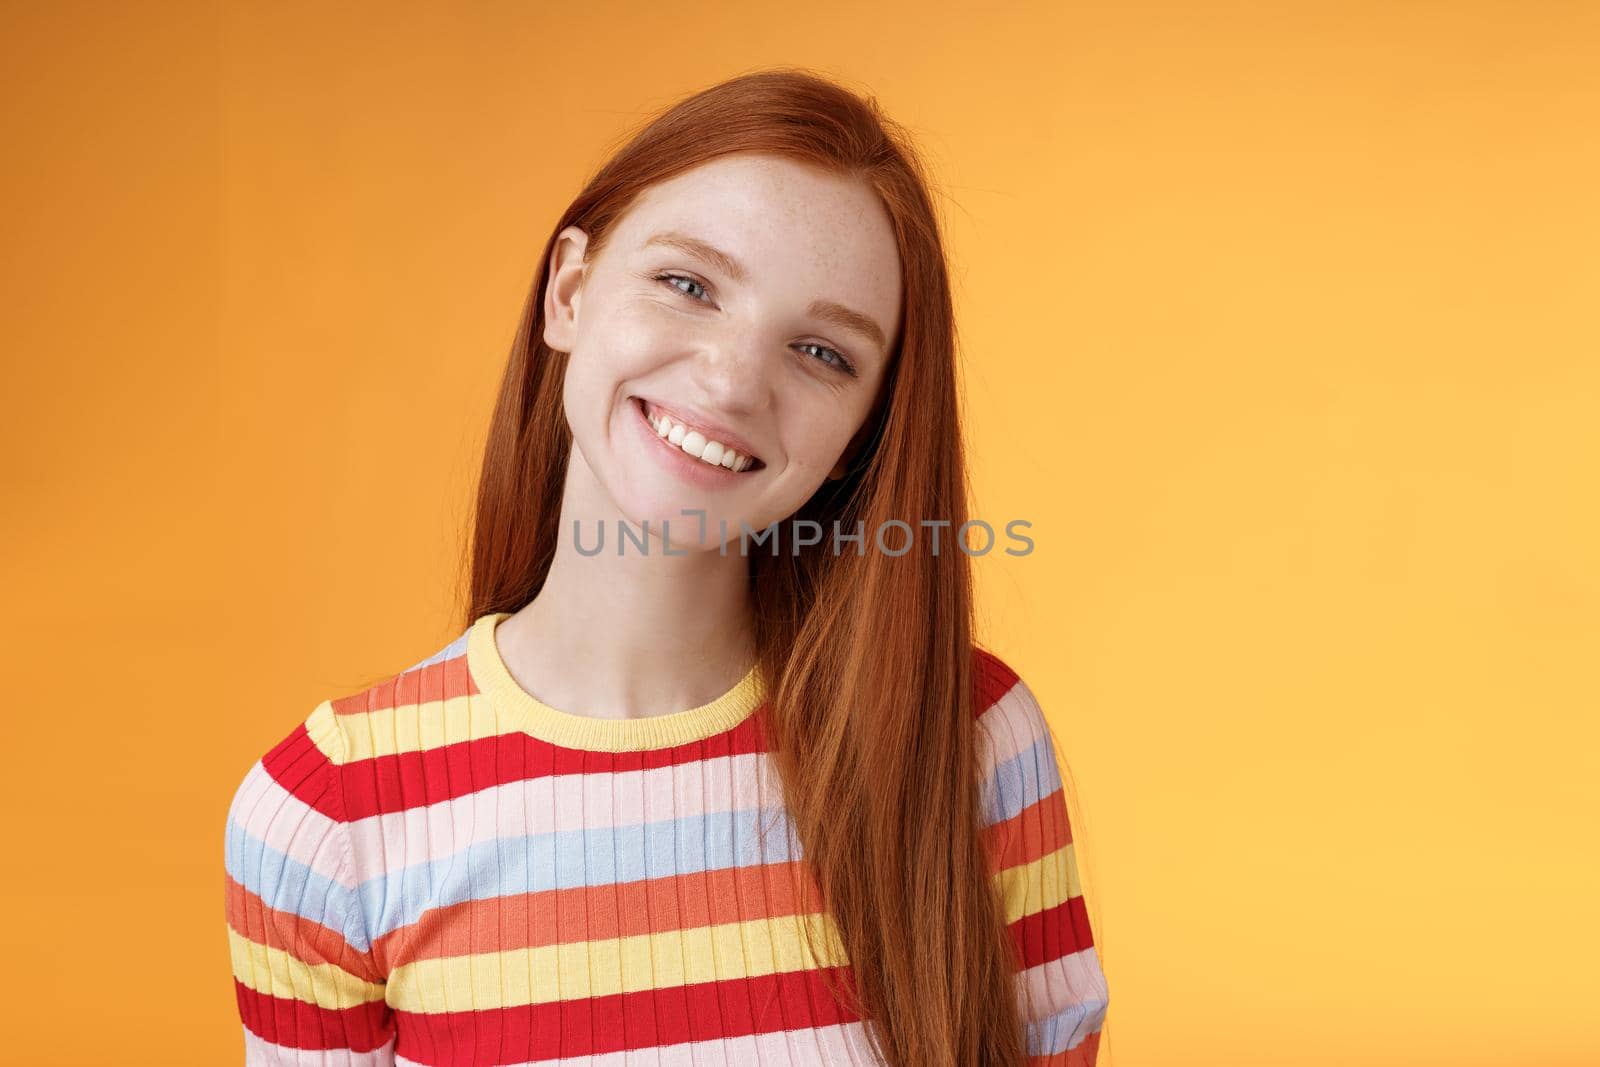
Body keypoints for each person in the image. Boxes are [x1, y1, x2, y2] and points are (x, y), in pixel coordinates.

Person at [222, 67, 1109, 1066]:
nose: (732, 380)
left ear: (866, 432)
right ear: (569, 291)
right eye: (687, 285)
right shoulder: (327, 814)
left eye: (822, 352)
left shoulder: (972, 741)